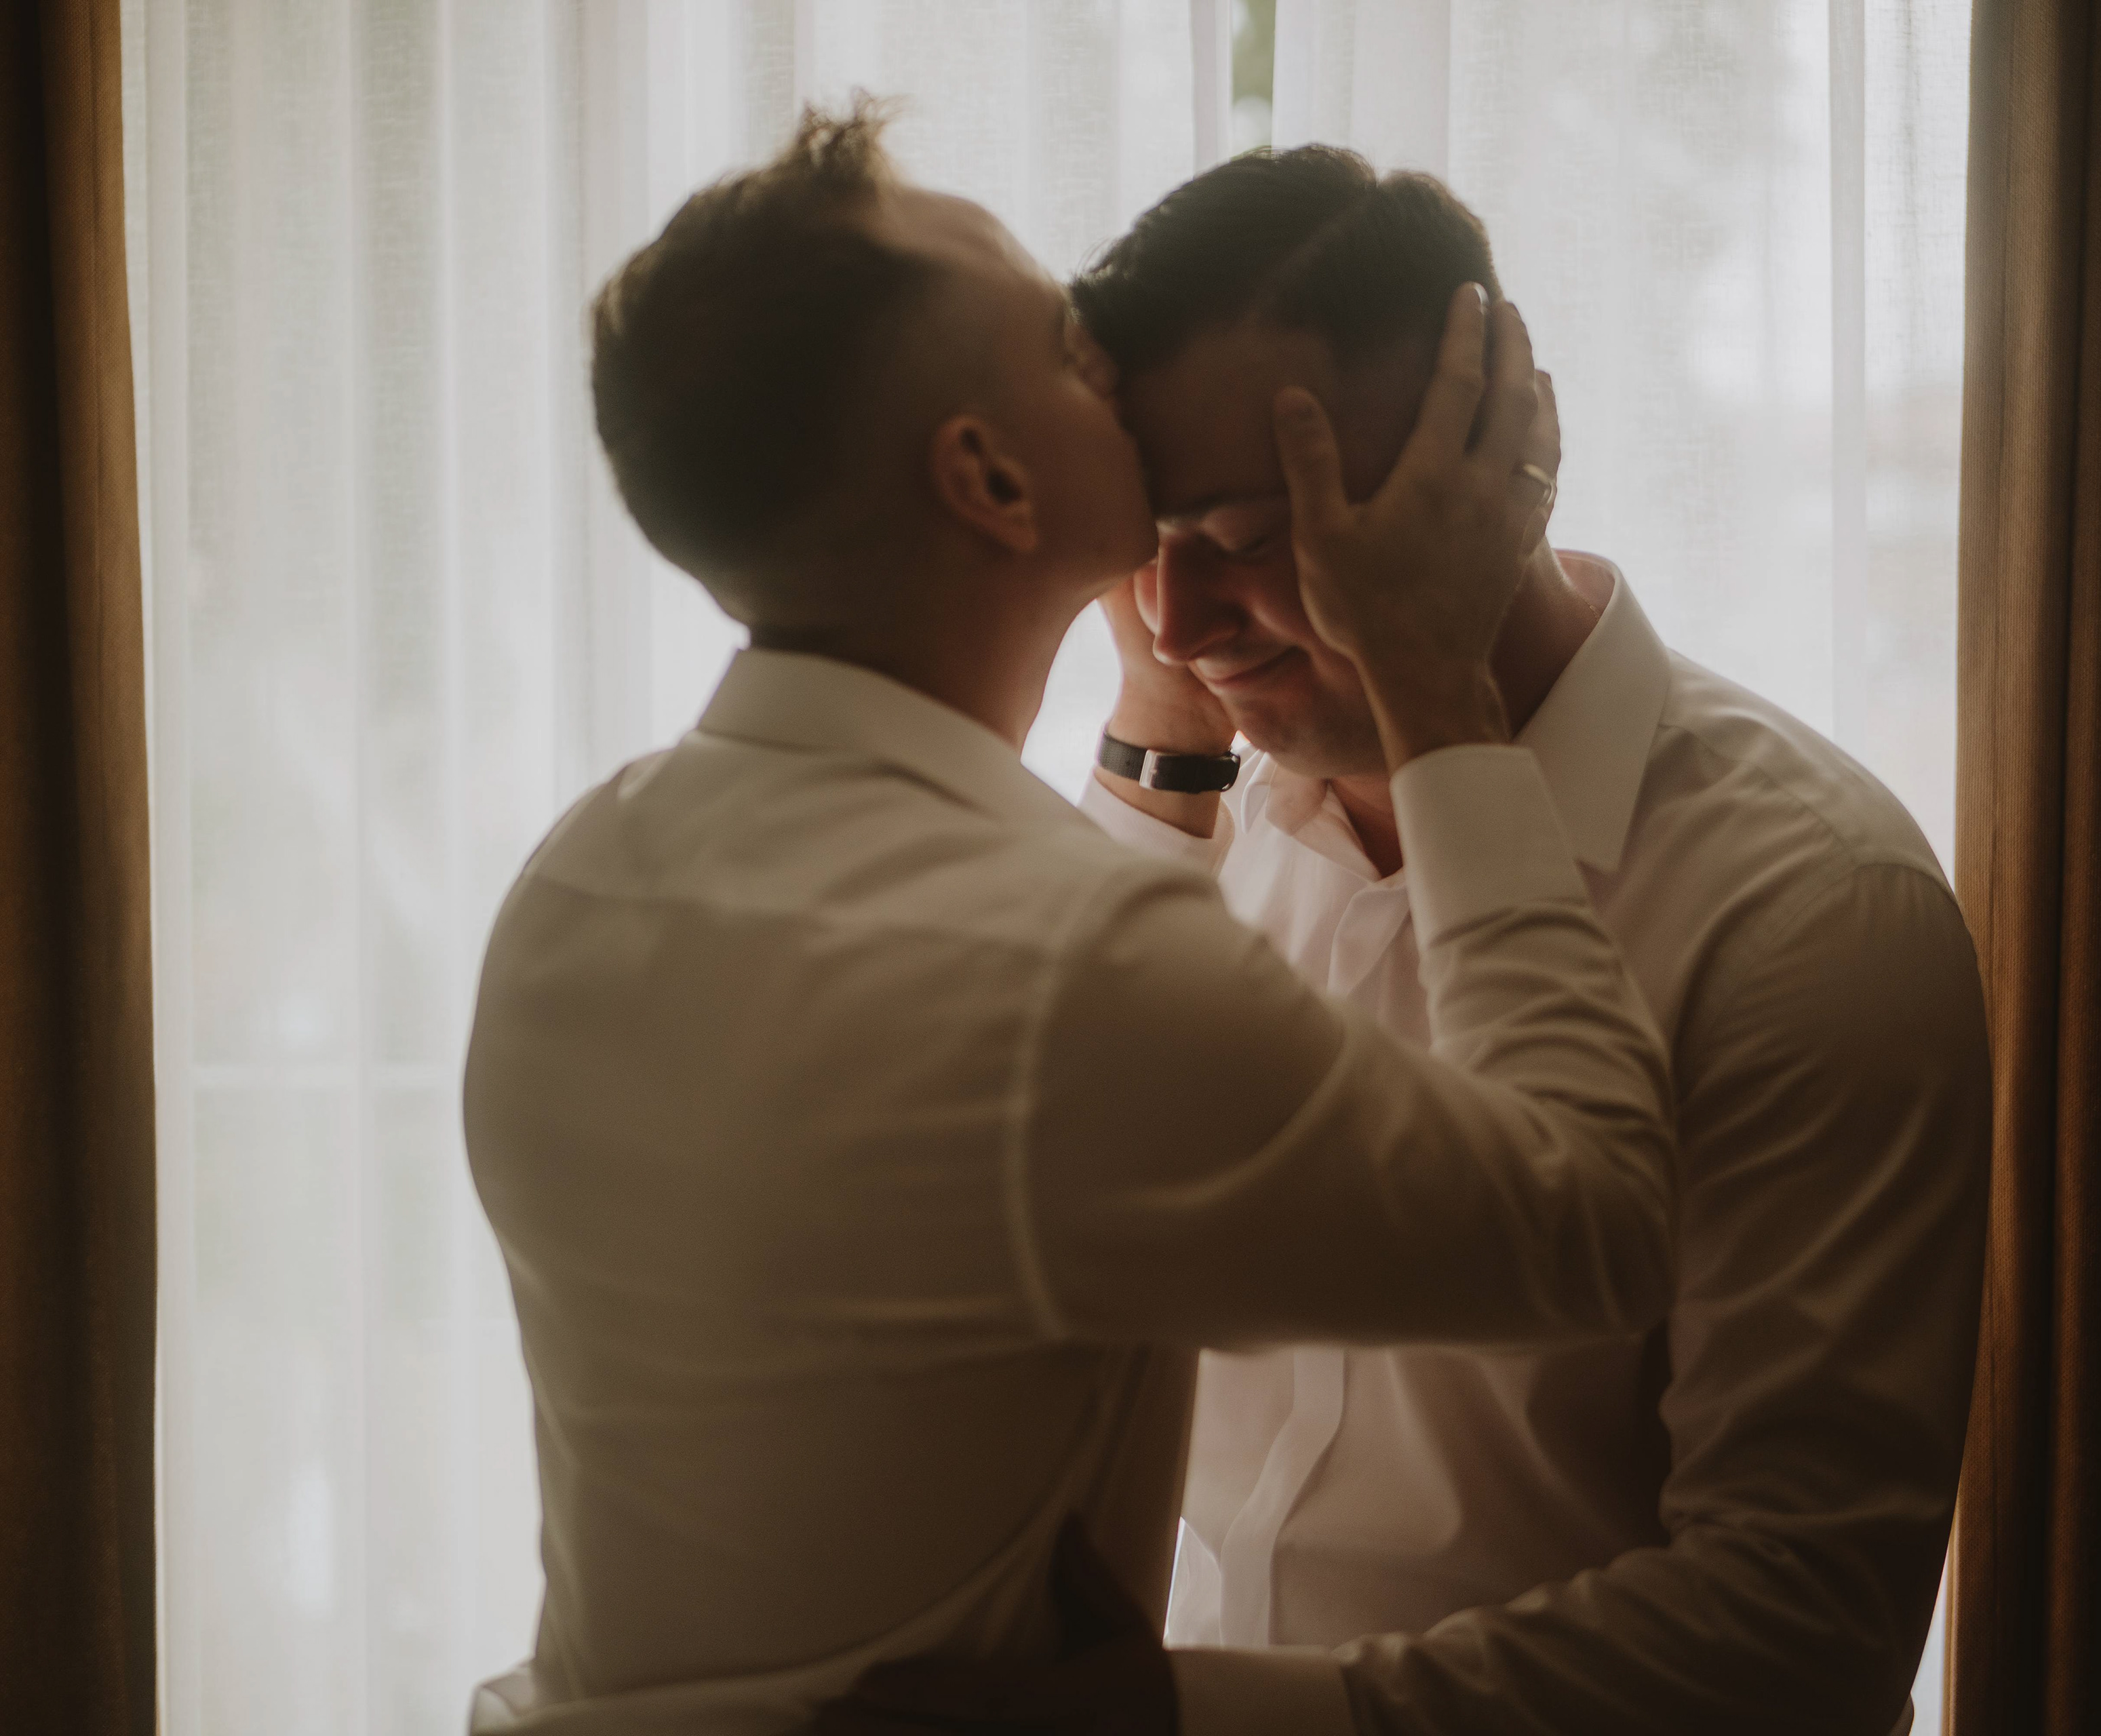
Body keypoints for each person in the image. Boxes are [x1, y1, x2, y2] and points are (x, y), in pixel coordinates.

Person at [464, 104, 1677, 1735]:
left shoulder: (582, 875)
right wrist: (1437, 684)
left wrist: (1161, 720)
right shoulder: (1061, 957)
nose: (1112, 362)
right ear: (987, 474)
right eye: (1063, 342)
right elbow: (1594, 1221)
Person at [832, 149, 1989, 1736]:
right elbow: (1009, 1230)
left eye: (1248, 534)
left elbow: (1800, 1627)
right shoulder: (1193, 818)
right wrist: (1165, 730)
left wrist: (1183, 1717)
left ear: (1501, 468)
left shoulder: (1808, 909)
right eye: (1142, 537)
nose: (1175, 618)